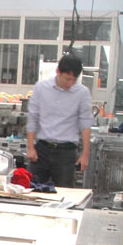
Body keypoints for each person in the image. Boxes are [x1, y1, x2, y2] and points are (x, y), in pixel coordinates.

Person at [26, 55, 94, 188]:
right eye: (67, 78)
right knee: (31, 189)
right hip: (41, 151)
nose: (70, 83)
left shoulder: (82, 93)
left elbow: (85, 124)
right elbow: (33, 118)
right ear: (58, 71)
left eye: (74, 80)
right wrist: (30, 148)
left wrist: (85, 154)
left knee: (65, 192)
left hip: (66, 153)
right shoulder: (41, 88)